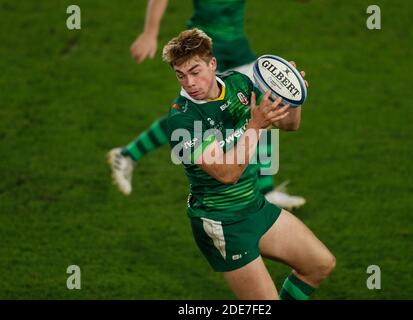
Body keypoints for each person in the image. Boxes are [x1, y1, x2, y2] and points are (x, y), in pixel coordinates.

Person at [163, 28, 335, 300]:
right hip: (223, 224)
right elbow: (227, 174)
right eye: (180, 75)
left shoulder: (238, 85)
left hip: (255, 208)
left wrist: (291, 95)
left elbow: (290, 125)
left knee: (319, 264)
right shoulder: (182, 120)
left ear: (213, 64)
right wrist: (255, 125)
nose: (189, 83)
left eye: (195, 72)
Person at [107, 0, 306, 210]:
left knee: (259, 112)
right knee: (191, 119)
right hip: (202, 53)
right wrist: (150, 33)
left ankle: (266, 191)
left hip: (237, 50)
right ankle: (128, 155)